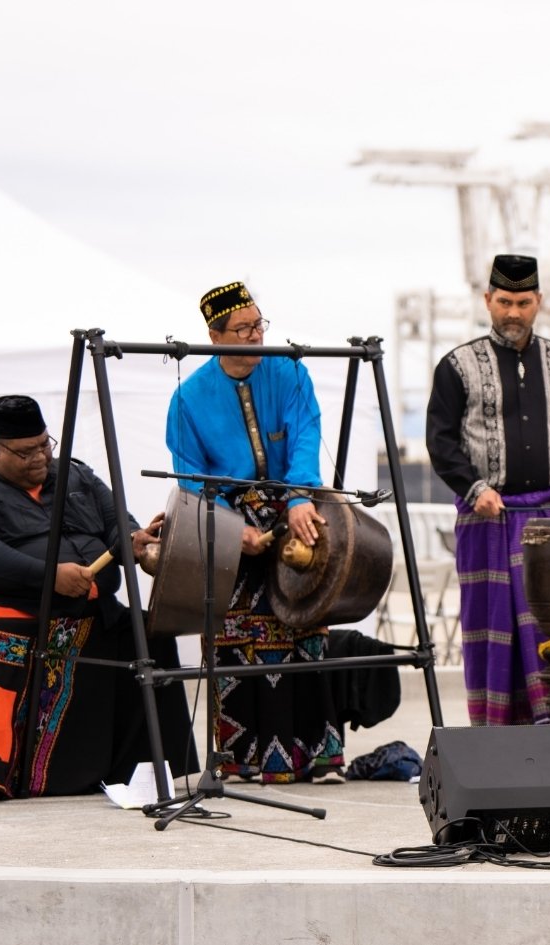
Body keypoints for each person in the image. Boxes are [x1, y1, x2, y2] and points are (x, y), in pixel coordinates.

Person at [166, 281, 345, 784]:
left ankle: (314, 755)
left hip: (292, 506)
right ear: (215, 336)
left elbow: (306, 433)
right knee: (235, 637)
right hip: (228, 520)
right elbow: (190, 476)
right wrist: (232, 526)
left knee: (305, 627)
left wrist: (300, 495)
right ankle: (244, 758)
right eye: (242, 329)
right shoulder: (188, 398)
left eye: (258, 325)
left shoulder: (289, 371)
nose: (255, 336)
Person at [426, 254, 550, 726]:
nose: (513, 313)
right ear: (487, 300)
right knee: (490, 630)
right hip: (486, 517)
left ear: (538, 302)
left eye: (523, 303)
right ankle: (495, 732)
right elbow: (441, 442)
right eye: (504, 301)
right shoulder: (457, 366)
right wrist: (474, 489)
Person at [0, 395, 196, 799]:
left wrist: (133, 539)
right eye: (27, 452)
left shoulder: (76, 476)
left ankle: (148, 771)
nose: (40, 458)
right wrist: (49, 576)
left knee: (151, 633)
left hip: (97, 609)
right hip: (29, 610)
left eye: (45, 445)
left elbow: (116, 520)